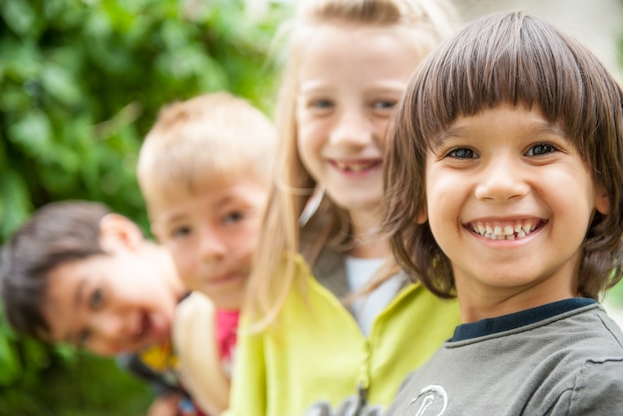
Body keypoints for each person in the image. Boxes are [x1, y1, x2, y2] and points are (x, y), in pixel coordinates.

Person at [225, 1, 462, 415]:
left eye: (385, 104)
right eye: (321, 104)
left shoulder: (481, 273)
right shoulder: (278, 278)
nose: (350, 135)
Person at [383, 11, 623, 415]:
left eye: (541, 149)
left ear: (603, 186)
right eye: (462, 153)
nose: (499, 185)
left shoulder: (589, 384)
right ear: (417, 194)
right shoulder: (419, 383)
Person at [137, 91, 277, 415]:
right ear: (161, 238)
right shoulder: (191, 330)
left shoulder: (324, 297)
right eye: (182, 231)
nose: (209, 251)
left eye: (233, 217)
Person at [0, 200, 202, 416]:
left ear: (120, 237)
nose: (110, 330)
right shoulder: (141, 360)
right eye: (84, 336)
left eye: (96, 297)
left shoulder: (220, 277)